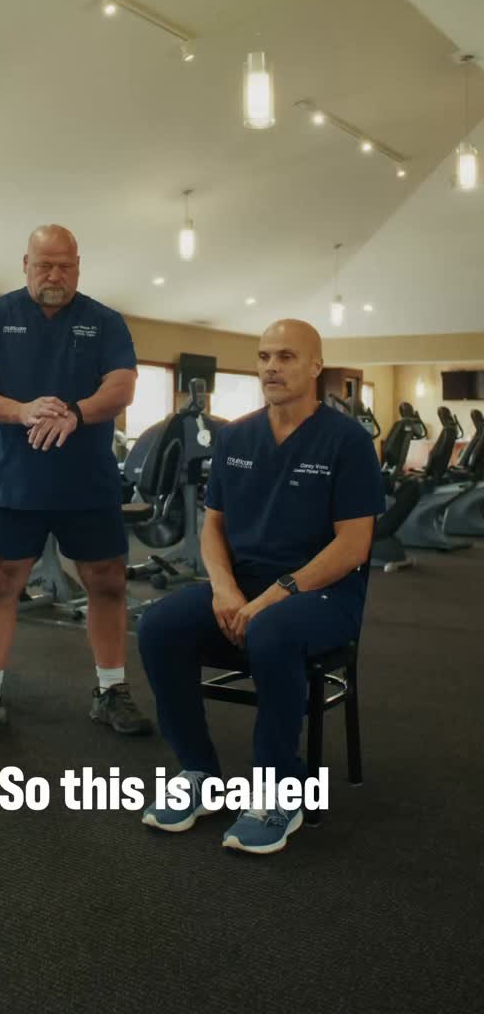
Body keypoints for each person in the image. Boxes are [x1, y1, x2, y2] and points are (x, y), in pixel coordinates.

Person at [137, 319, 384, 854]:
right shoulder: (236, 436)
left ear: (315, 366)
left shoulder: (347, 441)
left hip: (325, 593)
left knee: (271, 631)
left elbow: (353, 546)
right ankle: (199, 773)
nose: (272, 366)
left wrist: (273, 597)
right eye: (265, 356)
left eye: (287, 356)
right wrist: (224, 590)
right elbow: (214, 527)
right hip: (246, 586)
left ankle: (279, 790)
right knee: (158, 625)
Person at [0, 224, 152, 740]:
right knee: (0, 585)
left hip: (87, 482)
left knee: (107, 582)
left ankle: (111, 690)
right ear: (26, 265)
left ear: (78, 267)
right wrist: (22, 411)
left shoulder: (105, 322)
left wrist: (75, 414)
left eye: (65, 266)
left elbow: (122, 386)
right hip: (12, 481)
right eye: (44, 265)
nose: (55, 275)